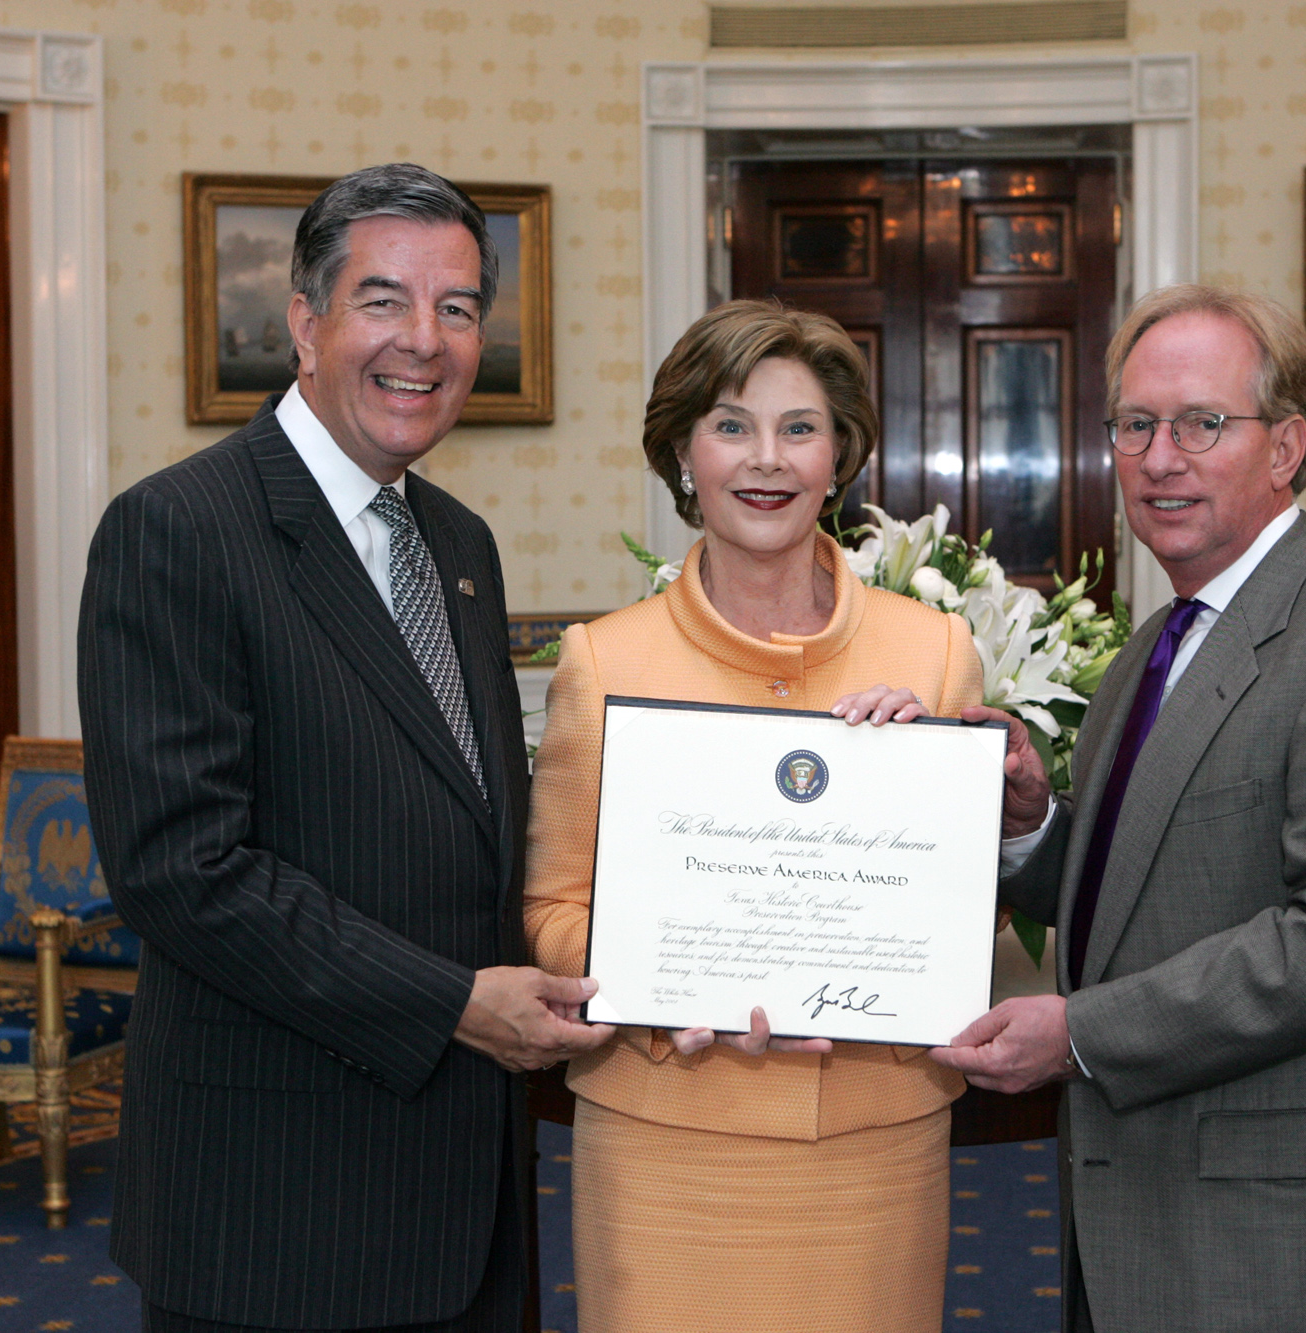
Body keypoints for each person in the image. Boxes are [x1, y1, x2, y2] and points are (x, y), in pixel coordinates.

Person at [80, 164, 613, 1333]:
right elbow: (182, 869)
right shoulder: (176, 530)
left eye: (459, 308)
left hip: (464, 1190)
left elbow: (472, 826)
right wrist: (453, 1005)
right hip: (279, 1203)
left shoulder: (458, 541)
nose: (423, 341)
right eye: (383, 301)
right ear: (305, 324)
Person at [935, 284, 1306, 1332]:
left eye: (1199, 423)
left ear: (1285, 446)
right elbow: (1143, 878)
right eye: (1134, 424)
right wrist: (1034, 818)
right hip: (1146, 1199)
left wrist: (1080, 1032)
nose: (1157, 456)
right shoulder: (1158, 641)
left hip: (1289, 1234)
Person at [524, 300, 983, 1333]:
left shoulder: (935, 653)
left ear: (839, 456)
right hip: (666, 1139)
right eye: (730, 426)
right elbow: (552, 906)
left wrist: (940, 809)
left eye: (798, 427)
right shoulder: (605, 660)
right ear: (682, 453)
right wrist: (659, 979)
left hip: (873, 1143)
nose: (765, 459)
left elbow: (973, 922)